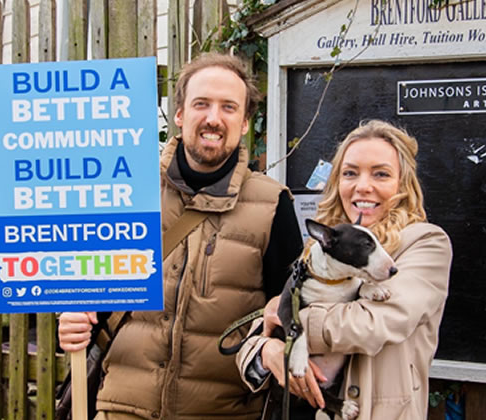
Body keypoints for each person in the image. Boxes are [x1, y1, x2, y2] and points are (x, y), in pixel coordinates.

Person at [58, 52, 303, 420]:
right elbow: (91, 297)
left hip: (224, 414)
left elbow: (290, 318)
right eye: (201, 104)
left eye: (228, 107)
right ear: (179, 114)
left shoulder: (272, 206)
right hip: (122, 409)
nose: (213, 118)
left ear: (244, 122)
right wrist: (73, 323)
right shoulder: (126, 191)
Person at [236, 120, 453, 420]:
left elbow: (370, 324)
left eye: (380, 174)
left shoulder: (425, 243)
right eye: (350, 173)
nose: (363, 186)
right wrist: (267, 352)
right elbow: (256, 335)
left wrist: (291, 324)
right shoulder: (324, 247)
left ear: (403, 184)